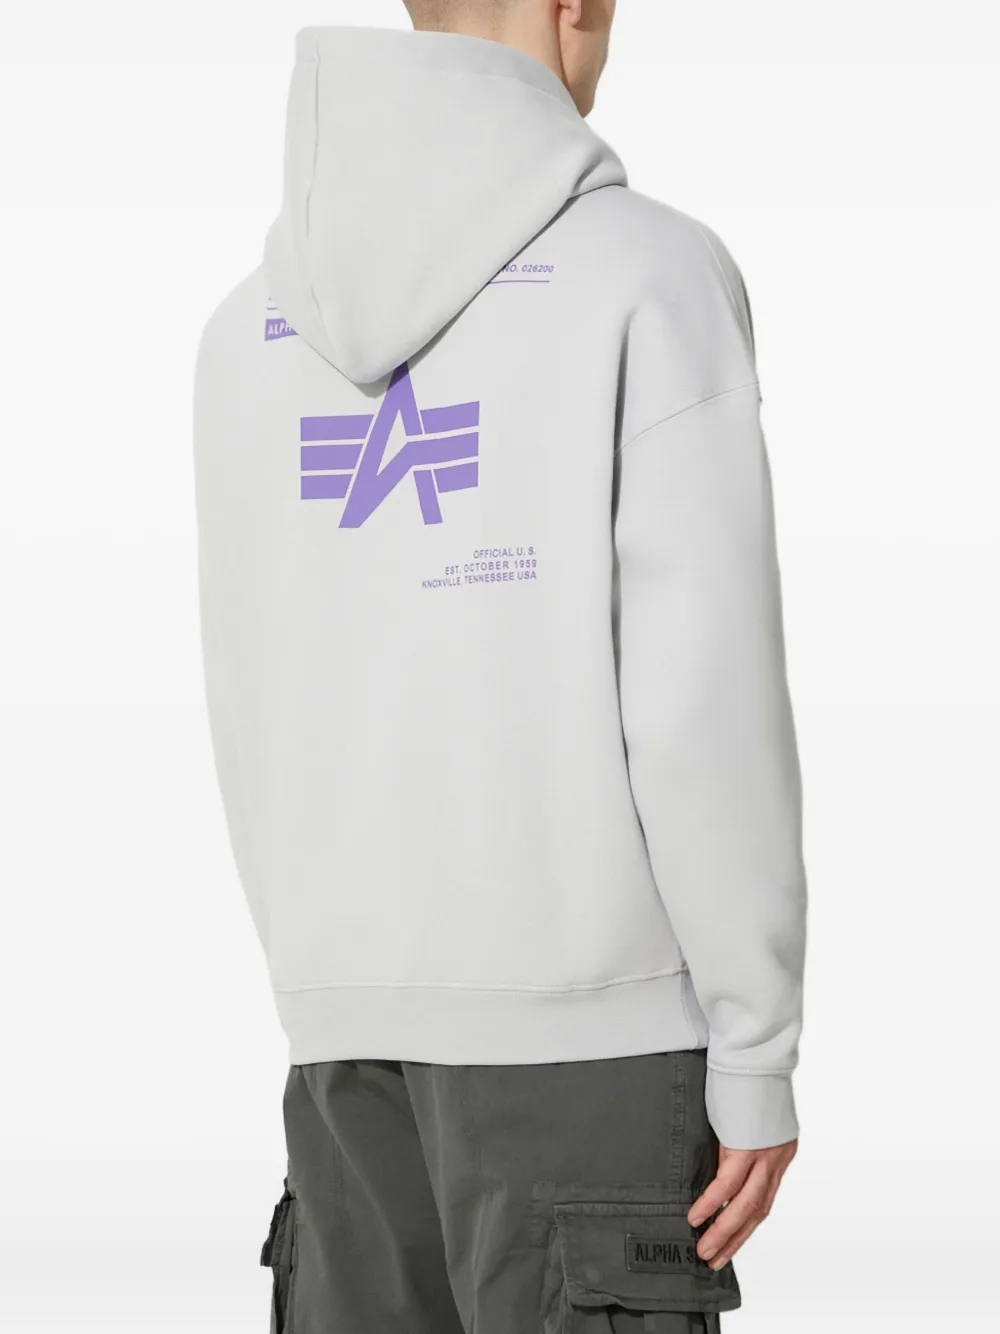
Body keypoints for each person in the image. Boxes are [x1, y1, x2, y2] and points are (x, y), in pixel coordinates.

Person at [193, 2, 807, 1330]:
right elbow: (699, 694)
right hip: (594, 1056)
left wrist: (333, 976)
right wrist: (756, 1042)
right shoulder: (649, 275)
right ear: (575, 6)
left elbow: (249, 699)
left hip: (341, 1060)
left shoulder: (245, 333)